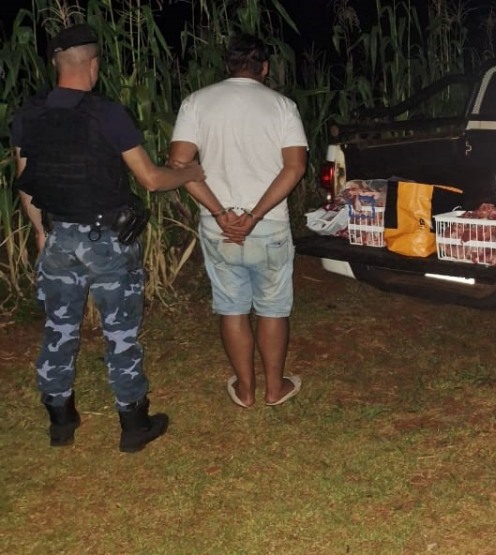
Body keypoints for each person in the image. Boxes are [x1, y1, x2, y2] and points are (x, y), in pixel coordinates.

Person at [12, 24, 205, 452]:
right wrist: (191, 172)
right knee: (120, 332)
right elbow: (152, 180)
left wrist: (42, 232)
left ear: (55, 64)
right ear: (94, 65)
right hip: (108, 242)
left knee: (58, 328)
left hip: (59, 235)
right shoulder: (106, 113)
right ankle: (134, 424)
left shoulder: (30, 114)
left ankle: (60, 421)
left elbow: (26, 183)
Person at [168, 33, 307, 408]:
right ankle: (274, 389)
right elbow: (294, 168)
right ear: (264, 67)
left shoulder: (196, 103)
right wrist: (255, 215)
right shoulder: (282, 106)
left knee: (231, 307)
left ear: (227, 66)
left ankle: (245, 391)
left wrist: (220, 211)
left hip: (220, 227)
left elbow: (178, 164)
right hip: (269, 227)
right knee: (273, 308)